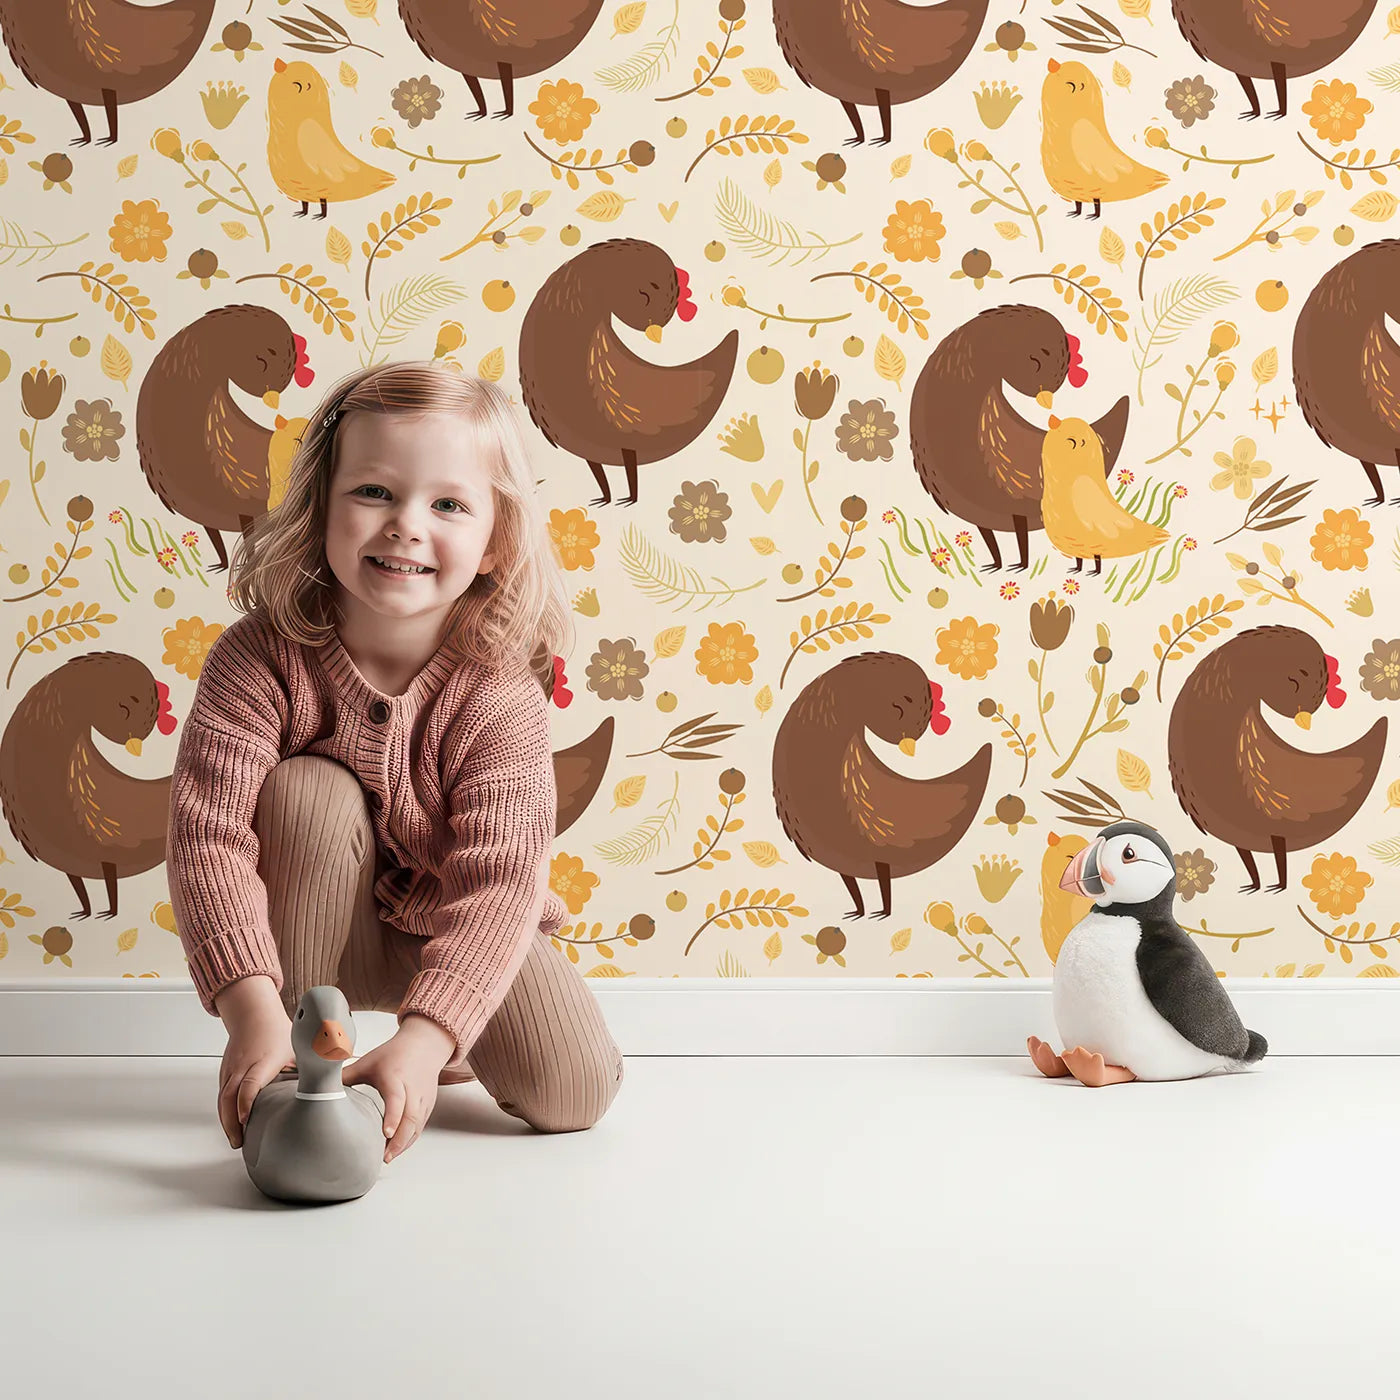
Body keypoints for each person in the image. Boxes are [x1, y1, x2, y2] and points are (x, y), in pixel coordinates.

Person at [166, 362, 624, 1166]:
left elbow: (502, 881)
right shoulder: (259, 658)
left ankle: (437, 1045)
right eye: (374, 492)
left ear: (494, 542)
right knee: (308, 790)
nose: (406, 525)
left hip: (451, 928)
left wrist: (429, 1033)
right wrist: (252, 1010)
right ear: (320, 511)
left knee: (575, 1094)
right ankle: (300, 1065)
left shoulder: (496, 690)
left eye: (448, 504)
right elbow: (208, 837)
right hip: (315, 919)